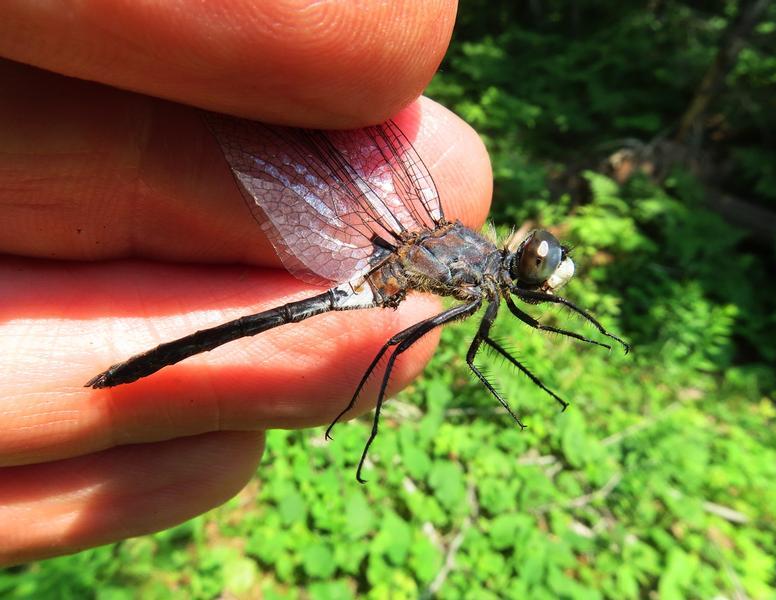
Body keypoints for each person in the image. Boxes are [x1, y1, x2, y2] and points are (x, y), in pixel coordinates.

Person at [0, 1, 491, 564]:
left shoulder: (478, 269)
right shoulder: (470, 264)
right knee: (390, 343)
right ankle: (133, 376)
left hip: (390, 257)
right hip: (381, 265)